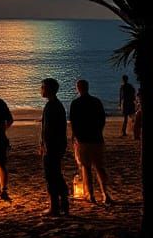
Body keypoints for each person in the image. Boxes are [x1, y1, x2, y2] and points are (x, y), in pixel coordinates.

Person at [69, 79, 113, 205]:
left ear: (78, 88)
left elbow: (74, 123)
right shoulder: (96, 101)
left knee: (86, 168)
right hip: (97, 139)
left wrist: (75, 136)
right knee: (100, 167)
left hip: (83, 140)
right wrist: (98, 131)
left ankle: (91, 195)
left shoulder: (76, 103)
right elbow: (102, 120)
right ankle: (105, 193)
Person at [39, 78, 68, 215]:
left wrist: (46, 147)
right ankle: (63, 204)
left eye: (42, 87)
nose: (41, 89)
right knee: (56, 174)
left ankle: (54, 207)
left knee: (51, 176)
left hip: (52, 147)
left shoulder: (52, 106)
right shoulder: (55, 105)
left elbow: (49, 130)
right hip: (56, 146)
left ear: (48, 89)